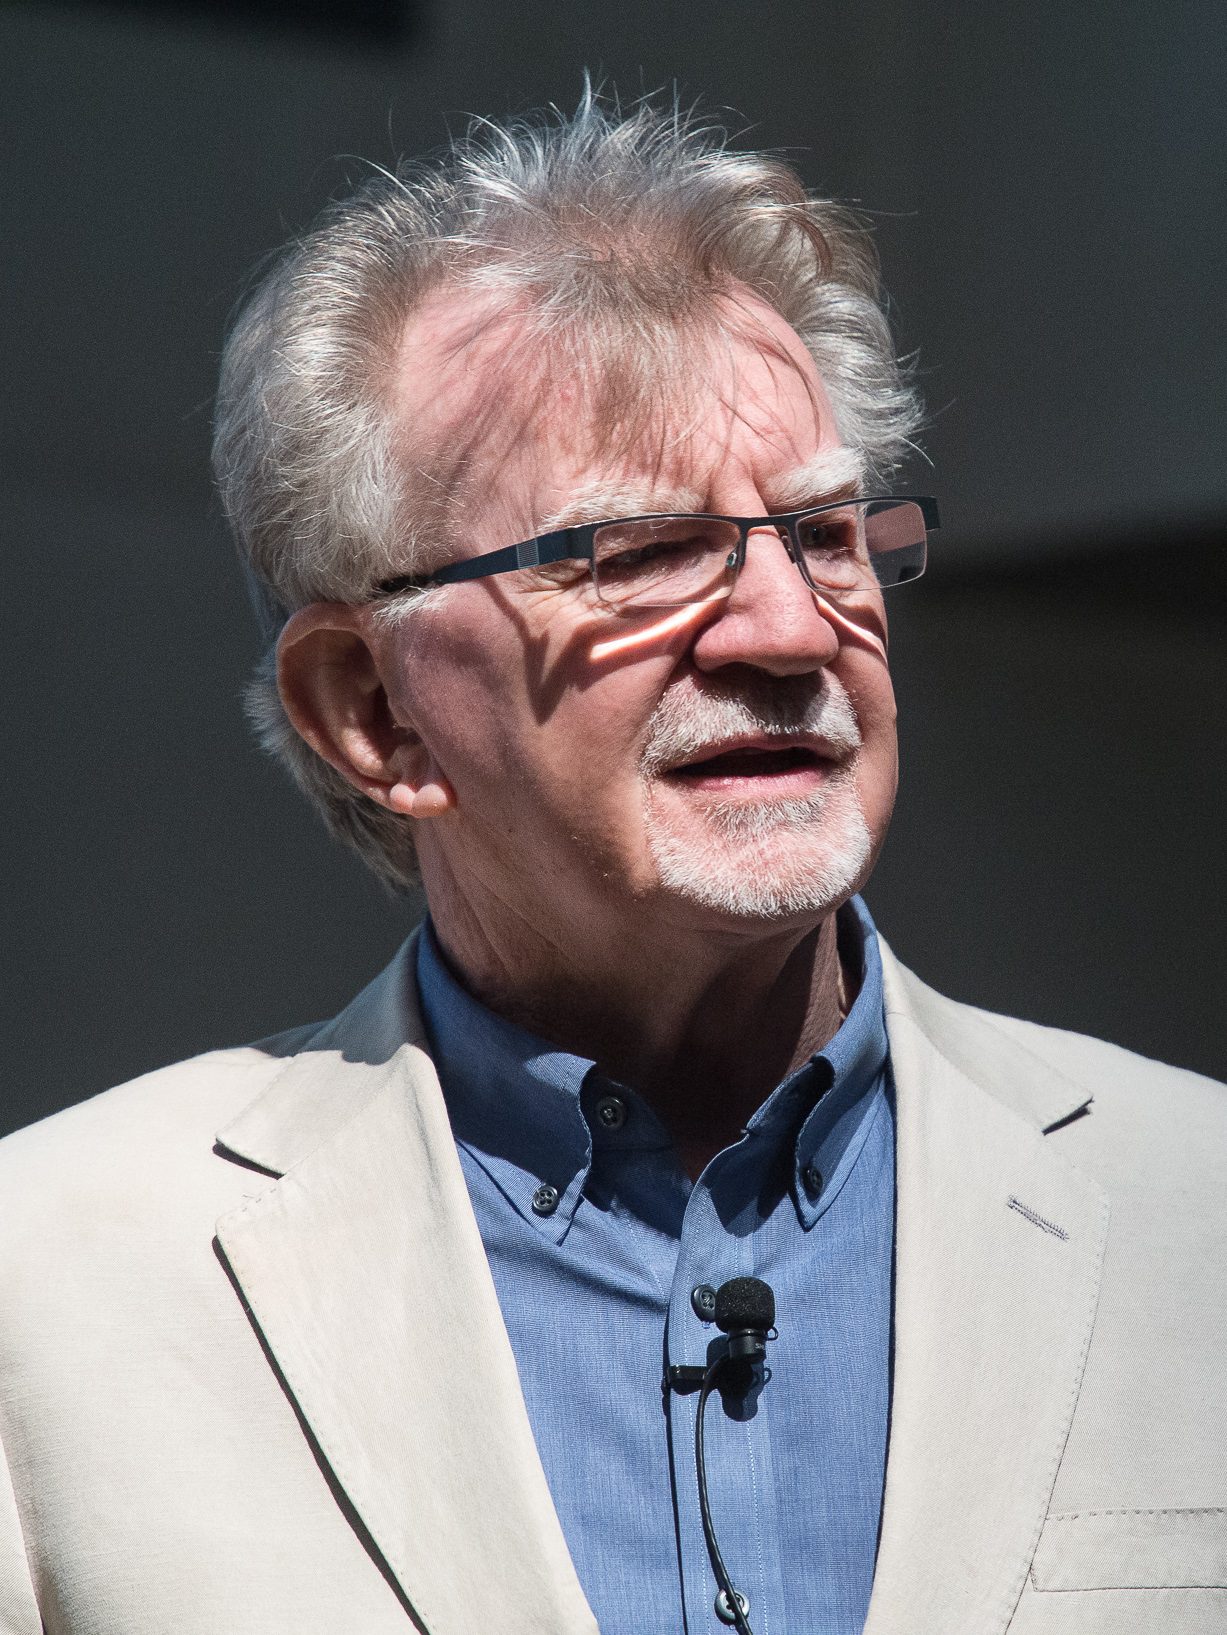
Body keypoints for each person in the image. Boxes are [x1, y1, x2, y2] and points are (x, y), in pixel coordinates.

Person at [0, 95, 1223, 1635]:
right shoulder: (51, 1281)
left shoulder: (1196, 1207)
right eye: (636, 556)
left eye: (824, 534)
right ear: (374, 709)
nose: (790, 631)